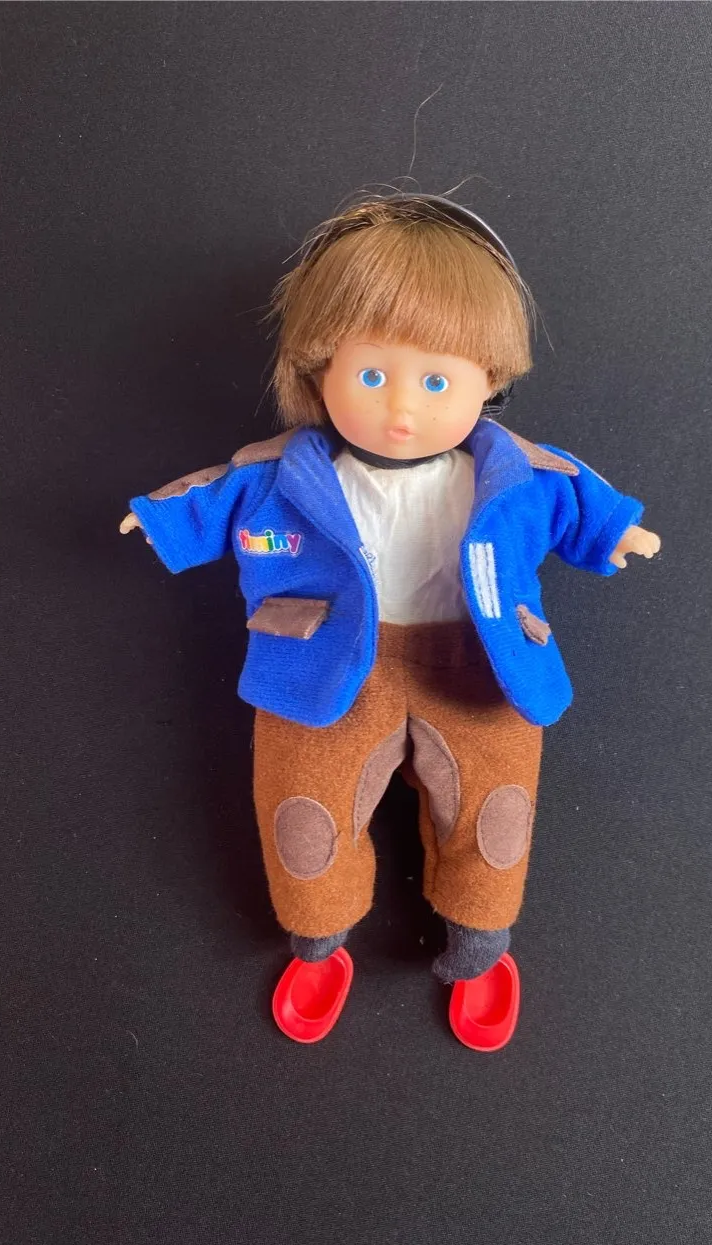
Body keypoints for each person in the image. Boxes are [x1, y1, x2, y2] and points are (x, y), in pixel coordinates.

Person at [121, 194, 660, 1049]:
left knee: (493, 813)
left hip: (479, 665)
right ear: (320, 370)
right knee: (303, 812)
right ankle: (317, 938)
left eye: (436, 381)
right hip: (322, 666)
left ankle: (480, 946)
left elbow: (580, 501)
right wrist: (159, 520)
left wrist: (615, 533)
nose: (402, 410)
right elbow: (209, 493)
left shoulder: (524, 472)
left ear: (490, 380)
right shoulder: (278, 474)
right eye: (372, 377)